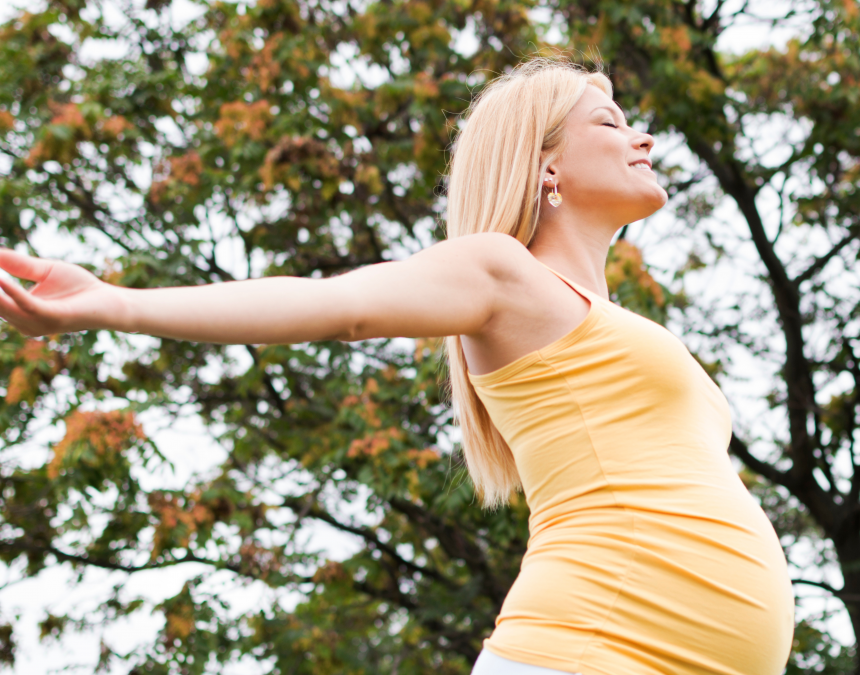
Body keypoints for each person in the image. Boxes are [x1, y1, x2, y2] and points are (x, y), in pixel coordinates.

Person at [0, 58, 794, 675]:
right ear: (545, 164)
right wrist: (114, 303)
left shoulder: (610, 322)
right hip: (588, 646)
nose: (641, 137)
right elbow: (335, 305)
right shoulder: (506, 274)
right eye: (611, 122)